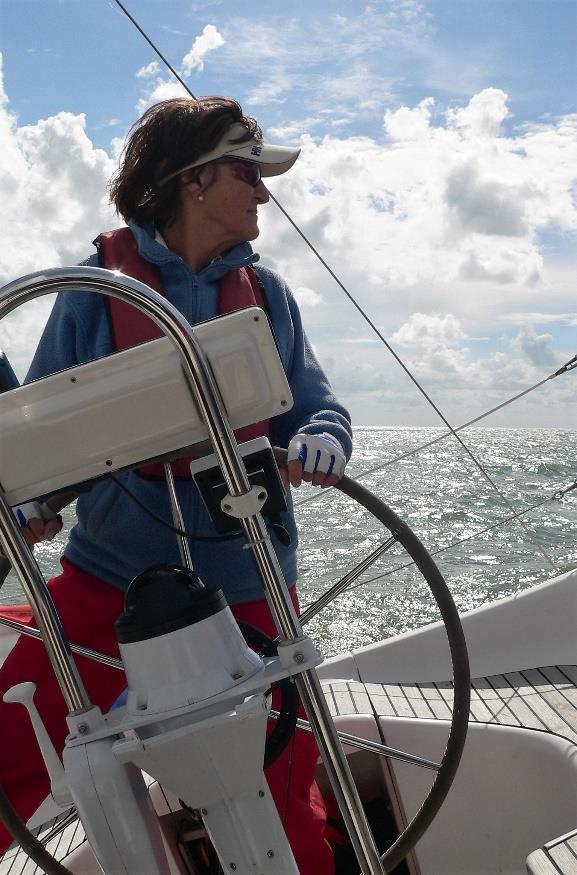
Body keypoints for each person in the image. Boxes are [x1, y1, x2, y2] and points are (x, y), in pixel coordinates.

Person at [0, 97, 352, 873]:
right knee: (6, 744)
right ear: (193, 181)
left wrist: (324, 436)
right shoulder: (96, 288)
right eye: (247, 173)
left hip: (251, 578)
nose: (263, 192)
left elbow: (313, 403)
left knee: (285, 787)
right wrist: (32, 501)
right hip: (107, 580)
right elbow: (42, 431)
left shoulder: (268, 296)